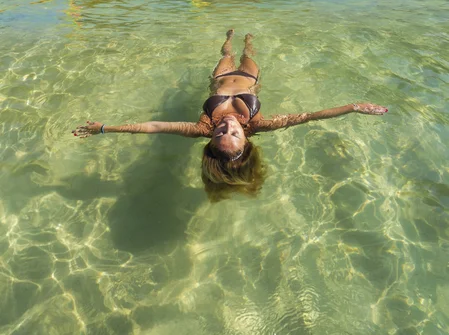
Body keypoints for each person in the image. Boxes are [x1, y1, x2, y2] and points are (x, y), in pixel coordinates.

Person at [73, 30, 388, 201]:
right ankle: (246, 38)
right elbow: (311, 116)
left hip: (221, 79)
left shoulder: (200, 127)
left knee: (226, 54)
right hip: (250, 81)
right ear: (246, 141)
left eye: (220, 135)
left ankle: (229, 37)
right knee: (248, 53)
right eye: (233, 134)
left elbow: (153, 126)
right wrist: (353, 107)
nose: (225, 126)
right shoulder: (260, 123)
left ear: (211, 141)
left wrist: (105, 128)